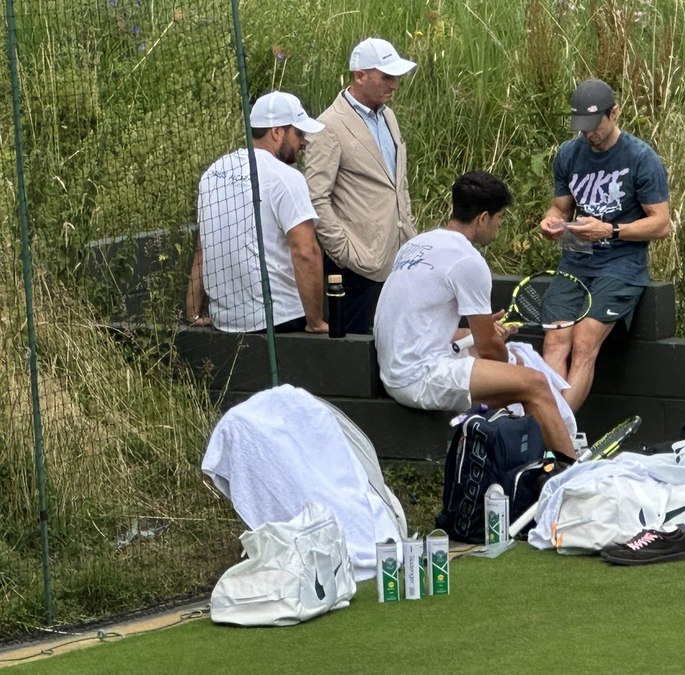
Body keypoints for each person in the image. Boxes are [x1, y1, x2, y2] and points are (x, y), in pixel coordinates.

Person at [374, 171, 576, 457]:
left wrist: (476, 334)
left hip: (394, 370)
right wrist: (503, 354)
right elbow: (490, 350)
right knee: (534, 382)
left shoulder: (416, 245)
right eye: (499, 218)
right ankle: (571, 470)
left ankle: (533, 461)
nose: (500, 225)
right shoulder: (469, 261)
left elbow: (419, 326)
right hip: (417, 378)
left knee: (513, 377)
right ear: (483, 218)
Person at [537, 78, 671, 412]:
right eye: (581, 128)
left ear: (615, 113)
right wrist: (552, 222)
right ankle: (552, 431)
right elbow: (560, 206)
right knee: (555, 338)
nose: (588, 134)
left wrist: (609, 230)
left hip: (621, 265)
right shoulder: (568, 154)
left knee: (584, 341)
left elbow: (661, 224)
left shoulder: (641, 158)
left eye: (594, 126)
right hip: (576, 261)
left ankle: (560, 433)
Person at [186, 91, 328, 334]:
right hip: (281, 319)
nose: (304, 142)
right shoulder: (286, 178)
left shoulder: (212, 173)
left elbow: (202, 249)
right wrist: (316, 322)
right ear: (277, 132)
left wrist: (193, 313)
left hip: (226, 323)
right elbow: (306, 252)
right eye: (299, 133)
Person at [304, 37, 419, 334]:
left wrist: (408, 232)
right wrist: (345, 251)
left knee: (395, 339)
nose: (393, 84)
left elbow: (398, 183)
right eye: (386, 77)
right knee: (356, 351)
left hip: (396, 255)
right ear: (360, 76)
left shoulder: (388, 117)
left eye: (395, 77)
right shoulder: (328, 126)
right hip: (356, 265)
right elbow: (316, 197)